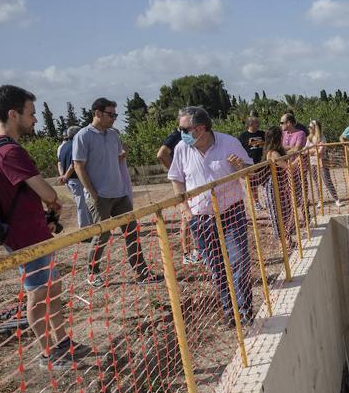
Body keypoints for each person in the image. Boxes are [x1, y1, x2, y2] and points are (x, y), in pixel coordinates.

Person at [0, 85, 91, 369]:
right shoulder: (8, 152)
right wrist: (53, 202)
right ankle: (48, 352)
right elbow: (48, 192)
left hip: (31, 232)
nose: (34, 119)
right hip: (26, 236)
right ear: (12, 114)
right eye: (30, 113)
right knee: (38, 294)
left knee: (51, 286)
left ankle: (61, 341)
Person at [167, 106, 255, 327]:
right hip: (201, 217)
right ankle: (229, 312)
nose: (181, 133)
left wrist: (240, 166)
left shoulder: (229, 142)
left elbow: (248, 170)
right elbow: (176, 179)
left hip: (231, 211)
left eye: (184, 129)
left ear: (201, 128)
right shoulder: (181, 149)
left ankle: (244, 310)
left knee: (239, 263)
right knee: (216, 267)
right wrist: (185, 210)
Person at [73, 97, 160, 286]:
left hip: (120, 194)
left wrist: (123, 155)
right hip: (99, 197)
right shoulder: (83, 136)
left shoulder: (113, 134)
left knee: (132, 233)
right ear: (97, 113)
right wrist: (93, 194)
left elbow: (115, 158)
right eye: (110, 114)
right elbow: (78, 166)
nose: (113, 118)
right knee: (102, 235)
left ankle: (141, 273)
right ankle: (92, 273)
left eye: (115, 114)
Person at [157, 113, 199, 265]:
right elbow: (161, 154)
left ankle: (197, 249)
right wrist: (177, 173)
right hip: (184, 183)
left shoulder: (192, 135)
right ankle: (186, 253)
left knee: (195, 213)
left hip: (193, 181)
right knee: (186, 217)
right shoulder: (176, 136)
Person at [56, 126, 91, 229]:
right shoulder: (75, 145)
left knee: (82, 203)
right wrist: (66, 176)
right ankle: (84, 229)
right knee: (82, 204)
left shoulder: (63, 147)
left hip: (70, 180)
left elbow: (59, 163)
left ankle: (88, 225)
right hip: (75, 178)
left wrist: (63, 175)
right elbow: (74, 164)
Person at [305, 120, 341, 207]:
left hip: (322, 162)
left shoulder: (322, 137)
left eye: (310, 127)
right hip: (312, 162)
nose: (309, 128)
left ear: (315, 128)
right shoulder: (309, 138)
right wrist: (314, 150)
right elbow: (305, 150)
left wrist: (312, 151)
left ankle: (336, 199)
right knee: (317, 182)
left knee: (327, 181)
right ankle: (320, 200)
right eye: (309, 127)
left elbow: (320, 152)